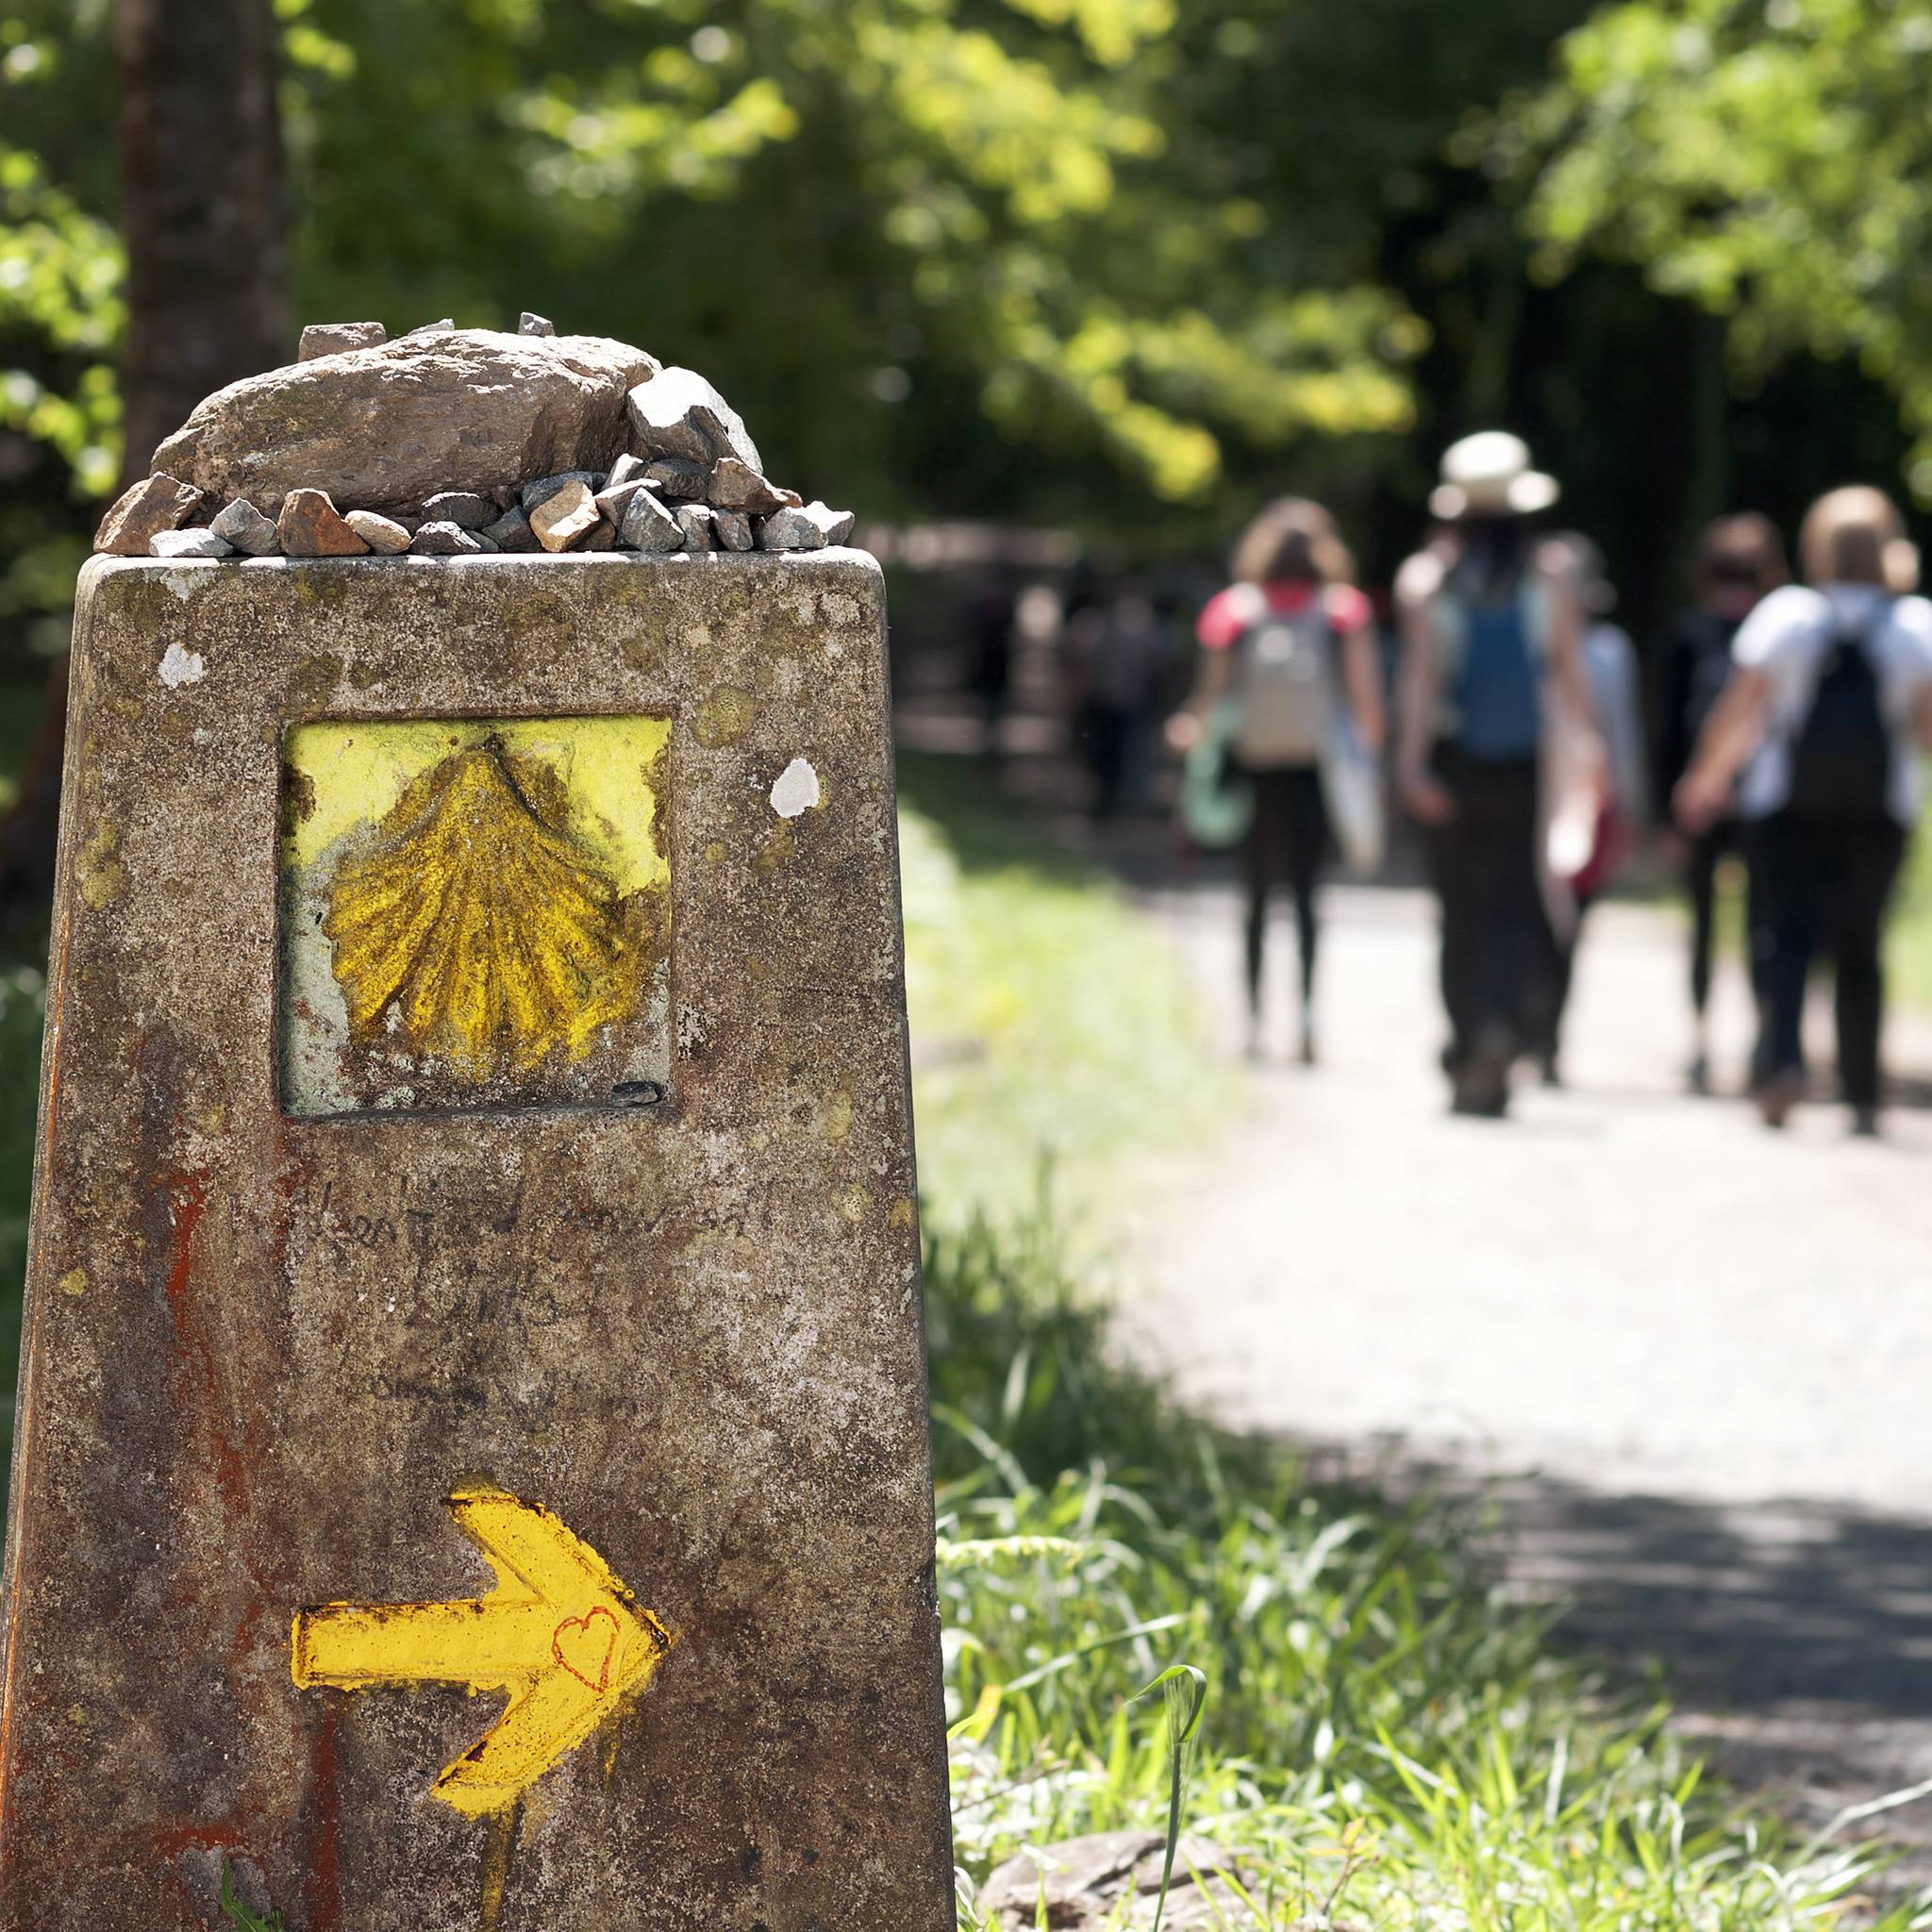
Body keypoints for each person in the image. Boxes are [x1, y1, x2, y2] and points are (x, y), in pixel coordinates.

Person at [1677, 486, 1932, 1134]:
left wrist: (1704, 780)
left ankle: (1782, 1065)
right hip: (1881, 812)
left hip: (1784, 807)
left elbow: (1739, 711)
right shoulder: (1915, 625)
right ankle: (1862, 1092)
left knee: (1784, 939)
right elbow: (1926, 731)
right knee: (1861, 946)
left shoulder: (1787, 615)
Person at [1393, 433, 1602, 1117]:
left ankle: (1466, 1043)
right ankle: (1503, 1030)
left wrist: (1410, 765)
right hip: (1524, 761)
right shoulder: (1553, 574)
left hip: (1453, 760)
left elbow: (1420, 683)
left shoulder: (1426, 580)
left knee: (1459, 910)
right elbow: (1568, 673)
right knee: (1516, 903)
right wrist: (1590, 754)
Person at [1170, 498, 1385, 1062]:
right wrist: (1372, 765)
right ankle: (1308, 1019)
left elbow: (1211, 695)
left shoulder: (1234, 610)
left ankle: (1253, 1021)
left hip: (1254, 766)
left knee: (1255, 897)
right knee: (1309, 897)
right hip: (1317, 770)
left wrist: (1190, 733)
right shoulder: (1343, 611)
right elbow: (1365, 700)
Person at [1656, 514, 1789, 1091]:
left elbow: (1668, 727)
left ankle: (1701, 1042)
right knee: (1765, 924)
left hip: (1697, 798)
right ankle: (1765, 1041)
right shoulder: (1778, 630)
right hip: (1763, 797)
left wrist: (1669, 812)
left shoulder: (1690, 631)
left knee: (1703, 925)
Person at [1537, 533, 1648, 1084]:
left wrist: (1627, 808)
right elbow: (1621, 736)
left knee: (1554, 923)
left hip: (1573, 798)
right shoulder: (1607, 652)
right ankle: (1544, 1039)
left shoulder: (1596, 650)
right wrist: (1631, 805)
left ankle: (1541, 1036)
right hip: (1577, 798)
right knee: (1564, 926)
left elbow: (1620, 736)